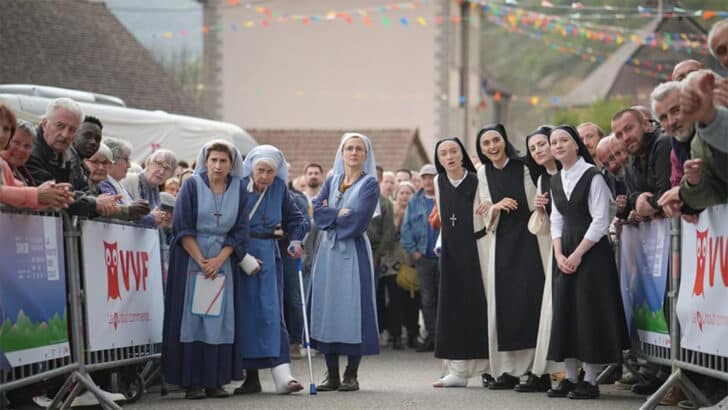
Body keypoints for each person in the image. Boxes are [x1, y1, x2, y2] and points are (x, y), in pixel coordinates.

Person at [546, 125, 629, 400]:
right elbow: (556, 219)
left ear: (575, 145)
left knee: (588, 313)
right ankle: (570, 377)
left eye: (563, 141)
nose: (558, 145)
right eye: (553, 142)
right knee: (566, 312)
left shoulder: (592, 176)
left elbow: (601, 220)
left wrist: (578, 253)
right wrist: (558, 254)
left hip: (591, 254)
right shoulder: (555, 180)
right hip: (564, 252)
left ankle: (590, 379)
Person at [161, 140, 249, 399]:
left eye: (223, 161)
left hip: (223, 260)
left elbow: (241, 230)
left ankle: (215, 381)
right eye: (214, 160)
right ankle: (193, 382)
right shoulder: (191, 185)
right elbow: (182, 225)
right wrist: (202, 262)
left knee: (218, 320)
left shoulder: (239, 189)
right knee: (193, 319)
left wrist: (219, 260)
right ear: (205, 161)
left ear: (231, 164)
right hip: (192, 257)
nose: (218, 166)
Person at [475, 124, 545, 390]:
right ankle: (508, 370)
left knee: (530, 302)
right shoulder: (483, 172)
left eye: (496, 140)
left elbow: (533, 204)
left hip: (529, 241)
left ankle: (535, 370)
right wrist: (496, 206)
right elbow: (484, 207)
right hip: (502, 240)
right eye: (486, 144)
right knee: (504, 305)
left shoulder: (524, 167)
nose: (492, 146)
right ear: (481, 149)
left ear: (504, 141)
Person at [310, 133, 381, 392]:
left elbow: (360, 219)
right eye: (349, 148)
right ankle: (332, 375)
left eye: (358, 149)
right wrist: (336, 213)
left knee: (353, 309)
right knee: (328, 307)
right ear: (341, 153)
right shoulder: (332, 180)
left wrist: (332, 216)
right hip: (327, 251)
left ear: (365, 154)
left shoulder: (370, 184)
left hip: (352, 250)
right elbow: (316, 212)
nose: (353, 152)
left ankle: (351, 374)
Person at [235, 145, 308, 395]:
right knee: (245, 314)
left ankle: (282, 375)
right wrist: (242, 255)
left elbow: (297, 219)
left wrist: (296, 239)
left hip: (270, 253)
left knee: (271, 313)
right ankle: (251, 378)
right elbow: (227, 224)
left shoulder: (279, 188)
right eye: (260, 170)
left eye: (270, 171)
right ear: (250, 168)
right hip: (241, 253)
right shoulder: (238, 188)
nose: (264, 176)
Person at [430, 137, 488, 388]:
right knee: (452, 309)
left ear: (463, 154)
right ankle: (457, 370)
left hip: (477, 249)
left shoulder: (478, 179)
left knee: (481, 305)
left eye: (454, 151)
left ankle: (490, 368)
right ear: (439, 159)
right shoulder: (438, 181)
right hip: (452, 251)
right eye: (444, 153)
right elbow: (443, 216)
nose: (450, 156)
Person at [516, 126, 564, 393]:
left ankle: (565, 372)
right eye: (532, 148)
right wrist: (539, 208)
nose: (538, 151)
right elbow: (543, 224)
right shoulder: (543, 180)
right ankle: (546, 369)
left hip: (572, 247)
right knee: (549, 309)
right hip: (549, 247)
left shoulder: (573, 173)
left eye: (542, 144)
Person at [24, 98, 119, 217]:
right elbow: (56, 194)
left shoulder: (70, 155)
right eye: (60, 126)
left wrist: (99, 203)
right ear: (44, 124)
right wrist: (95, 203)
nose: (65, 134)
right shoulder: (28, 150)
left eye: (72, 129)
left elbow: (83, 188)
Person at [400, 163, 440, 353]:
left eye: (431, 177)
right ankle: (432, 337)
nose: (427, 181)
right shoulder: (414, 201)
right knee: (428, 298)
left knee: (444, 297)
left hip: (444, 257)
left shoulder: (444, 198)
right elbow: (405, 228)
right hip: (424, 257)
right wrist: (413, 251)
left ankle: (444, 337)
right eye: (424, 177)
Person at [0, 113, 73, 210]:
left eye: (27, 146)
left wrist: (54, 197)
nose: (21, 149)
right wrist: (37, 194)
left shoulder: (11, 169)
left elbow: (21, 195)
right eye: (16, 142)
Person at [379, 181, 420, 350]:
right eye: (401, 193)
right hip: (391, 263)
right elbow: (389, 234)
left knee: (412, 301)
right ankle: (395, 335)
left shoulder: (417, 211)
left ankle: (412, 334)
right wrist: (399, 219)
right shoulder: (391, 210)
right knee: (394, 301)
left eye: (408, 192)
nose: (404, 196)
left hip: (411, 262)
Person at [611, 108, 672, 220]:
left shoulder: (663, 143)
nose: (625, 138)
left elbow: (665, 193)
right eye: (619, 135)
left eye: (629, 129)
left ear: (645, 124)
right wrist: (631, 204)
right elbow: (632, 198)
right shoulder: (632, 155)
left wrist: (646, 205)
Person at [368, 165, 396, 348]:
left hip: (373, 255)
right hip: (351, 254)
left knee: (373, 295)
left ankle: (371, 334)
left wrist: (377, 256)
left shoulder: (384, 203)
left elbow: (388, 233)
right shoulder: (354, 198)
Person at [85, 143, 149, 221]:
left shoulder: (99, 186)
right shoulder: (81, 184)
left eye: (105, 163)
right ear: (84, 162)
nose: (101, 167)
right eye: (95, 162)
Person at [121, 149, 176, 228]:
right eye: (158, 164)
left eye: (167, 168)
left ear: (171, 175)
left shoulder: (155, 191)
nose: (161, 171)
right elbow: (124, 214)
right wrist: (152, 217)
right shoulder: (129, 180)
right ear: (149, 163)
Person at [98, 137, 134, 205]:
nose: (129, 165)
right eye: (126, 160)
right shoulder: (104, 183)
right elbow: (121, 211)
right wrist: (151, 216)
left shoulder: (117, 183)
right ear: (112, 161)